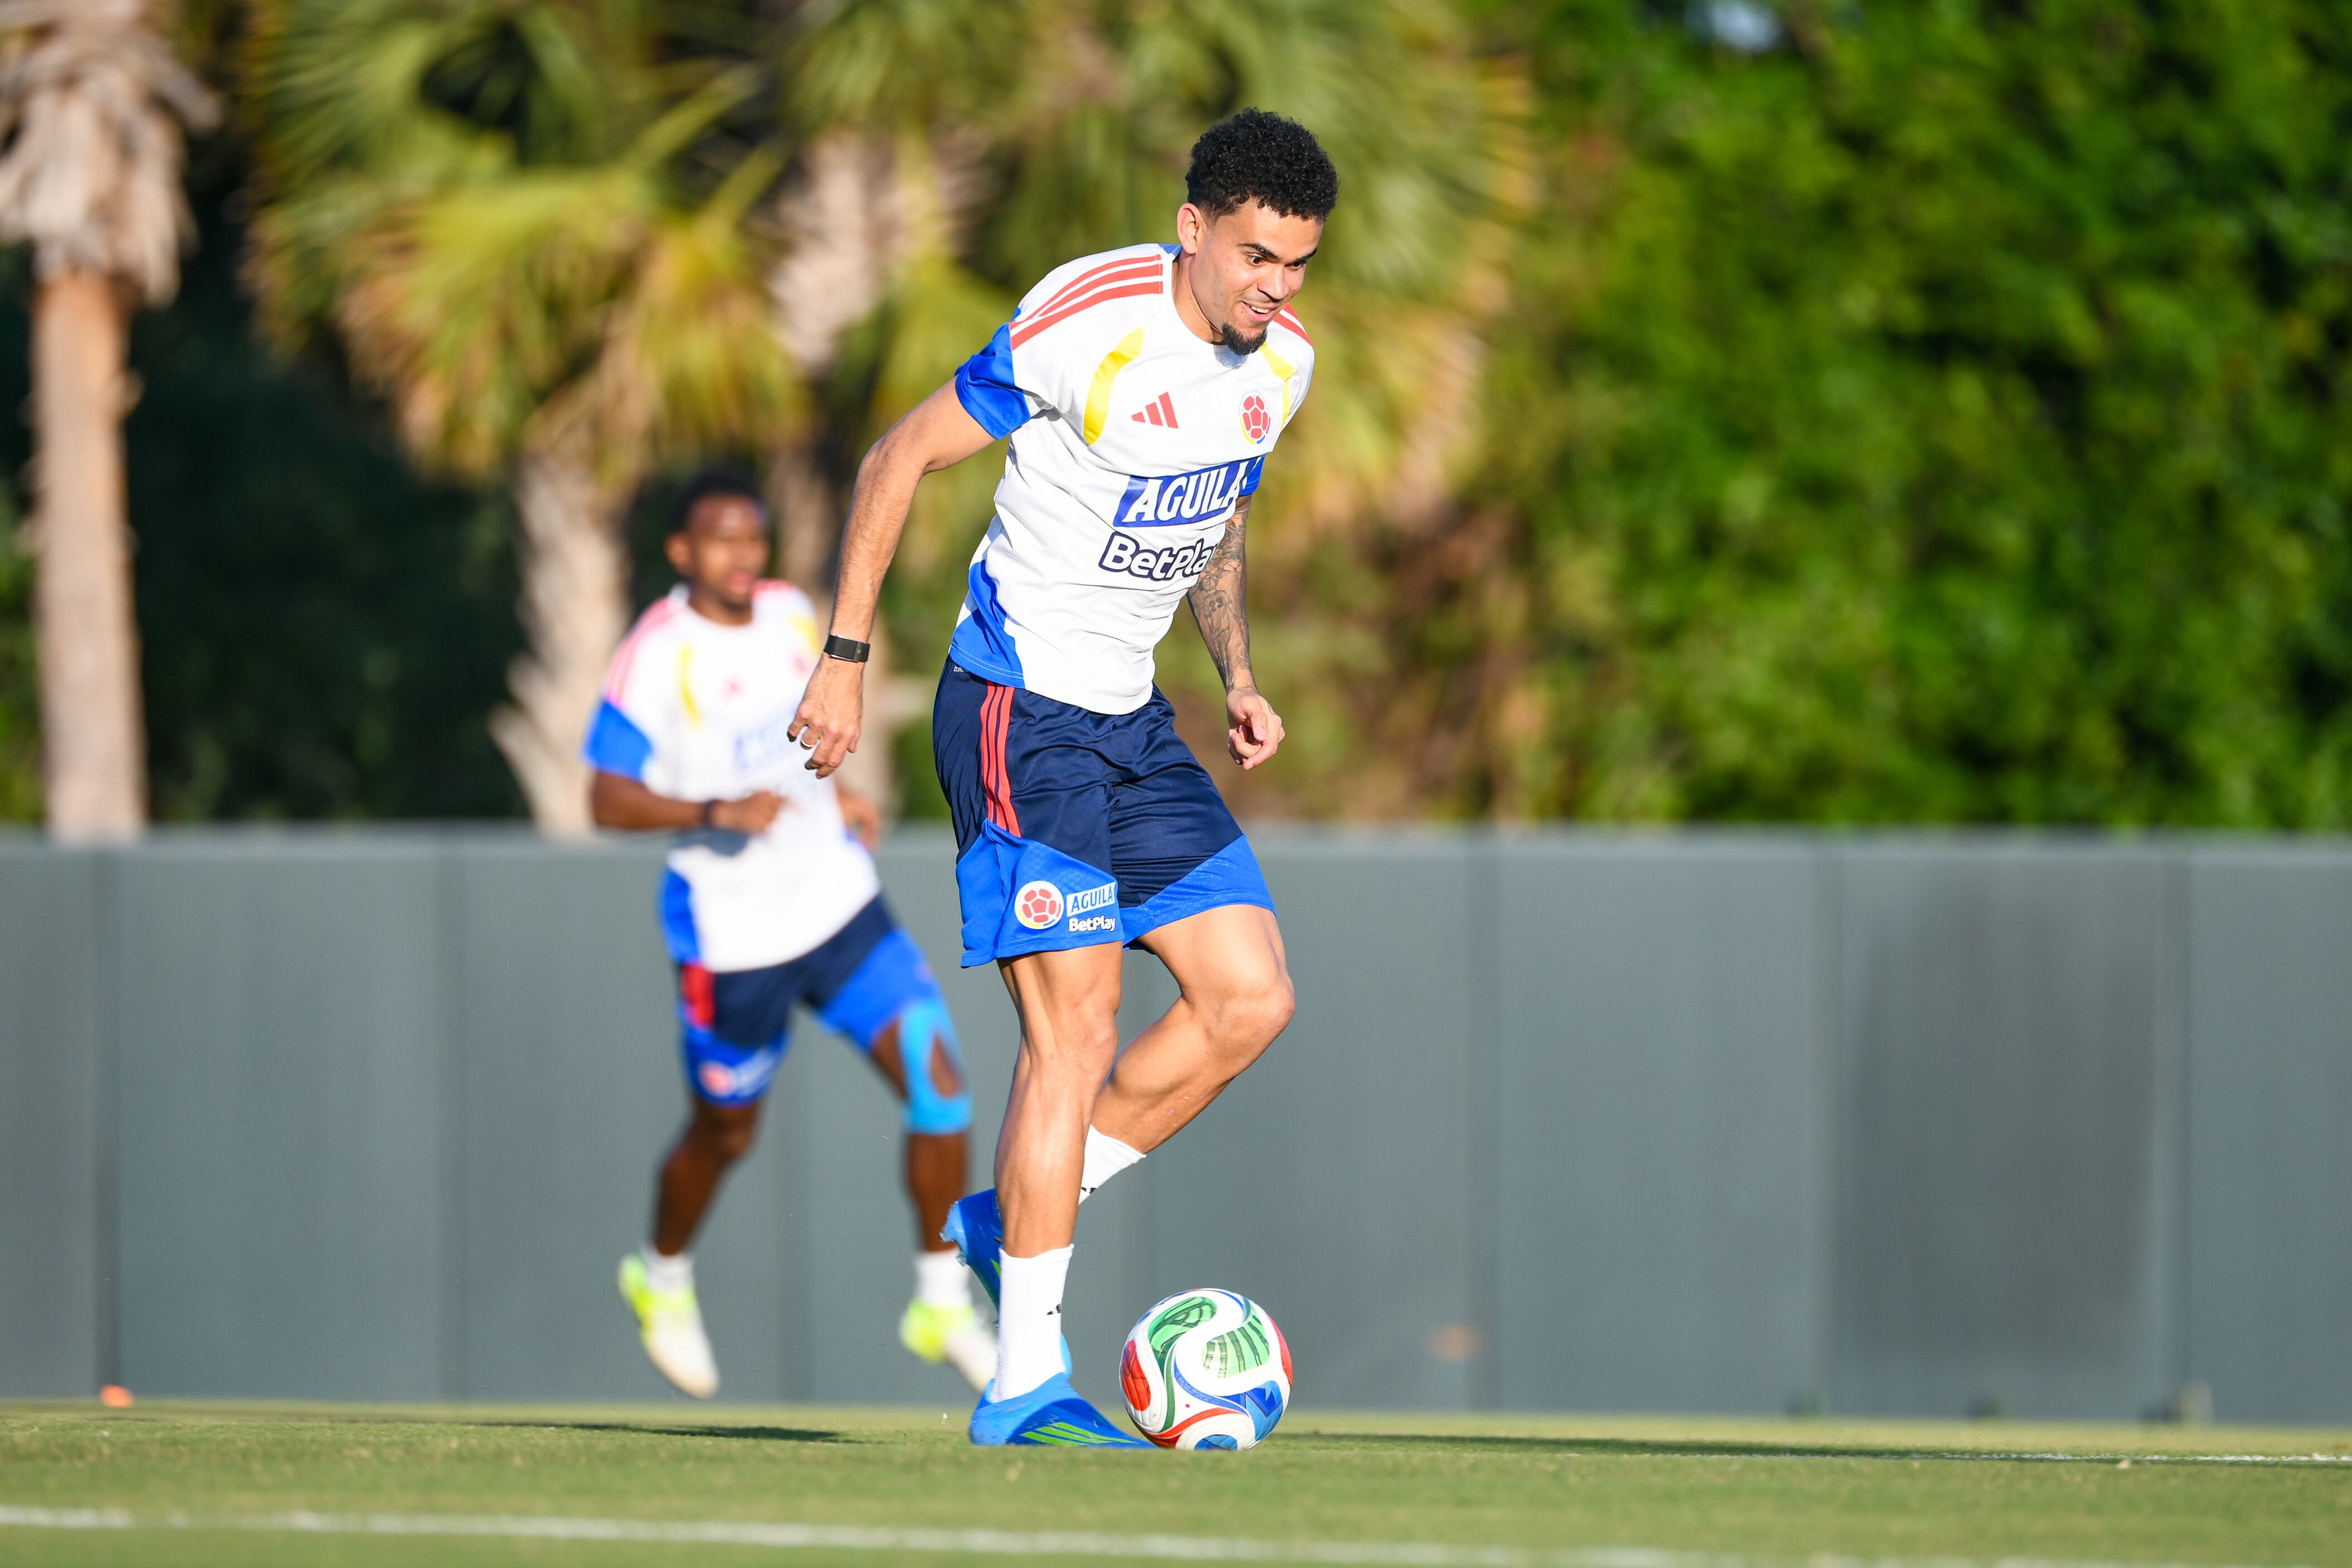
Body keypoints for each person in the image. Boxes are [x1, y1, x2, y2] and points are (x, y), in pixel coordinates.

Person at [788, 109, 1336, 1445]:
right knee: (1074, 1030)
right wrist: (844, 660)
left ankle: (1019, 1216)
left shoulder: (1285, 367)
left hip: (1133, 721)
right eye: (1256, 255)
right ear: (1194, 227)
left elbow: (1217, 520)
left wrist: (1238, 674)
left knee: (1250, 997)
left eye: (1299, 263)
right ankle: (1023, 1377)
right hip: (1015, 710)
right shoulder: (1087, 318)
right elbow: (897, 456)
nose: (1277, 286)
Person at [587, 467, 993, 1398]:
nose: (741, 554)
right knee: (726, 1135)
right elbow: (605, 796)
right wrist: (713, 809)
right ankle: (662, 1275)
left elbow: (805, 727)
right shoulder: (657, 652)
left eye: (752, 536)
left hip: (838, 904)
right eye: (719, 538)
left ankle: (940, 1300)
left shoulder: (789, 616)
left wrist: (840, 797)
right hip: (733, 936)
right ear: (681, 551)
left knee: (939, 1081)